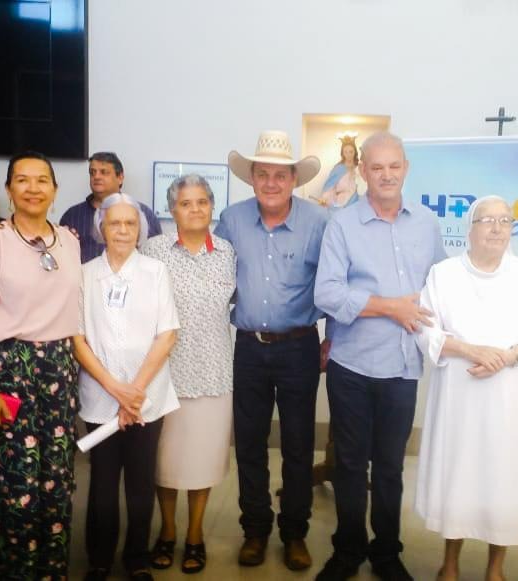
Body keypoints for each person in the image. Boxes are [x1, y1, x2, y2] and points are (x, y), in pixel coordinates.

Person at [314, 131, 446, 581]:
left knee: (390, 468)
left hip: (403, 366)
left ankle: (387, 553)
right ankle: (348, 551)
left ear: (405, 168)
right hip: (351, 365)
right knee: (350, 465)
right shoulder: (342, 224)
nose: (386, 175)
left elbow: (443, 289)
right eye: (376, 167)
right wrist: (391, 306)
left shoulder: (427, 224)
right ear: (362, 171)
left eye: (394, 166)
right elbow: (327, 292)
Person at [415, 196, 518, 581]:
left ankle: (496, 566)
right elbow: (425, 329)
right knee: (458, 479)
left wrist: (508, 356)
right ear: (470, 228)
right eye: (487, 220)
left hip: (511, 399)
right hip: (459, 397)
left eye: (504, 221)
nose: (496, 228)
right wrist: (470, 349)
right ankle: (450, 562)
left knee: (505, 480)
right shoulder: (443, 274)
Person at [0, 151, 83, 579]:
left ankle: (50, 570)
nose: (33, 188)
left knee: (56, 481)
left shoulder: (70, 240)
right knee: (13, 486)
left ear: (54, 188)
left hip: (60, 373)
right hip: (10, 372)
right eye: (23, 180)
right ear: (9, 189)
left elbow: (73, 318)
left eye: (42, 180)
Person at [214, 129, 327, 571]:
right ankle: (255, 530)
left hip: (300, 347)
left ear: (294, 179)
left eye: (281, 175)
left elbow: (335, 283)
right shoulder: (232, 219)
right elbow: (216, 278)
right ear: (252, 179)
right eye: (263, 174)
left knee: (299, 445)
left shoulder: (320, 222)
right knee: (250, 444)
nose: (272, 183)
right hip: (248, 349)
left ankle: (294, 532)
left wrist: (332, 336)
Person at [74, 193, 180, 581]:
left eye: (130, 224)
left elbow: (167, 335)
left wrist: (133, 392)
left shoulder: (155, 272)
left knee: (139, 484)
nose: (122, 230)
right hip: (100, 398)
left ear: (141, 229)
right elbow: (78, 339)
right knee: (102, 487)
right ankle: (99, 559)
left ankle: (137, 559)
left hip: (146, 400)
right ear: (100, 228)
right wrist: (116, 390)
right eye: (114, 223)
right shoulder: (84, 274)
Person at [142, 175, 236, 576]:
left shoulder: (227, 252)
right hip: (165, 373)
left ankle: (195, 535)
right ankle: (167, 531)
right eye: (186, 203)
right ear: (172, 209)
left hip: (215, 371)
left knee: (202, 461)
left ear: (212, 207)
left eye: (202, 202)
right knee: (166, 463)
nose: (195, 209)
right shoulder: (154, 250)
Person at [60, 151, 162, 262]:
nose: (96, 177)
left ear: (120, 177)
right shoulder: (72, 216)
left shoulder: (143, 214)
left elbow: (155, 254)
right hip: (85, 277)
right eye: (92, 172)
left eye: (104, 172)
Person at [318, 135, 363, 210]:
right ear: (342, 153)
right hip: (340, 204)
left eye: (351, 152)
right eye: (346, 152)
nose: (348, 155)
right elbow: (329, 187)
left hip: (356, 204)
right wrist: (324, 199)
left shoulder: (360, 168)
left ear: (355, 152)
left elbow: (365, 185)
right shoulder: (338, 169)